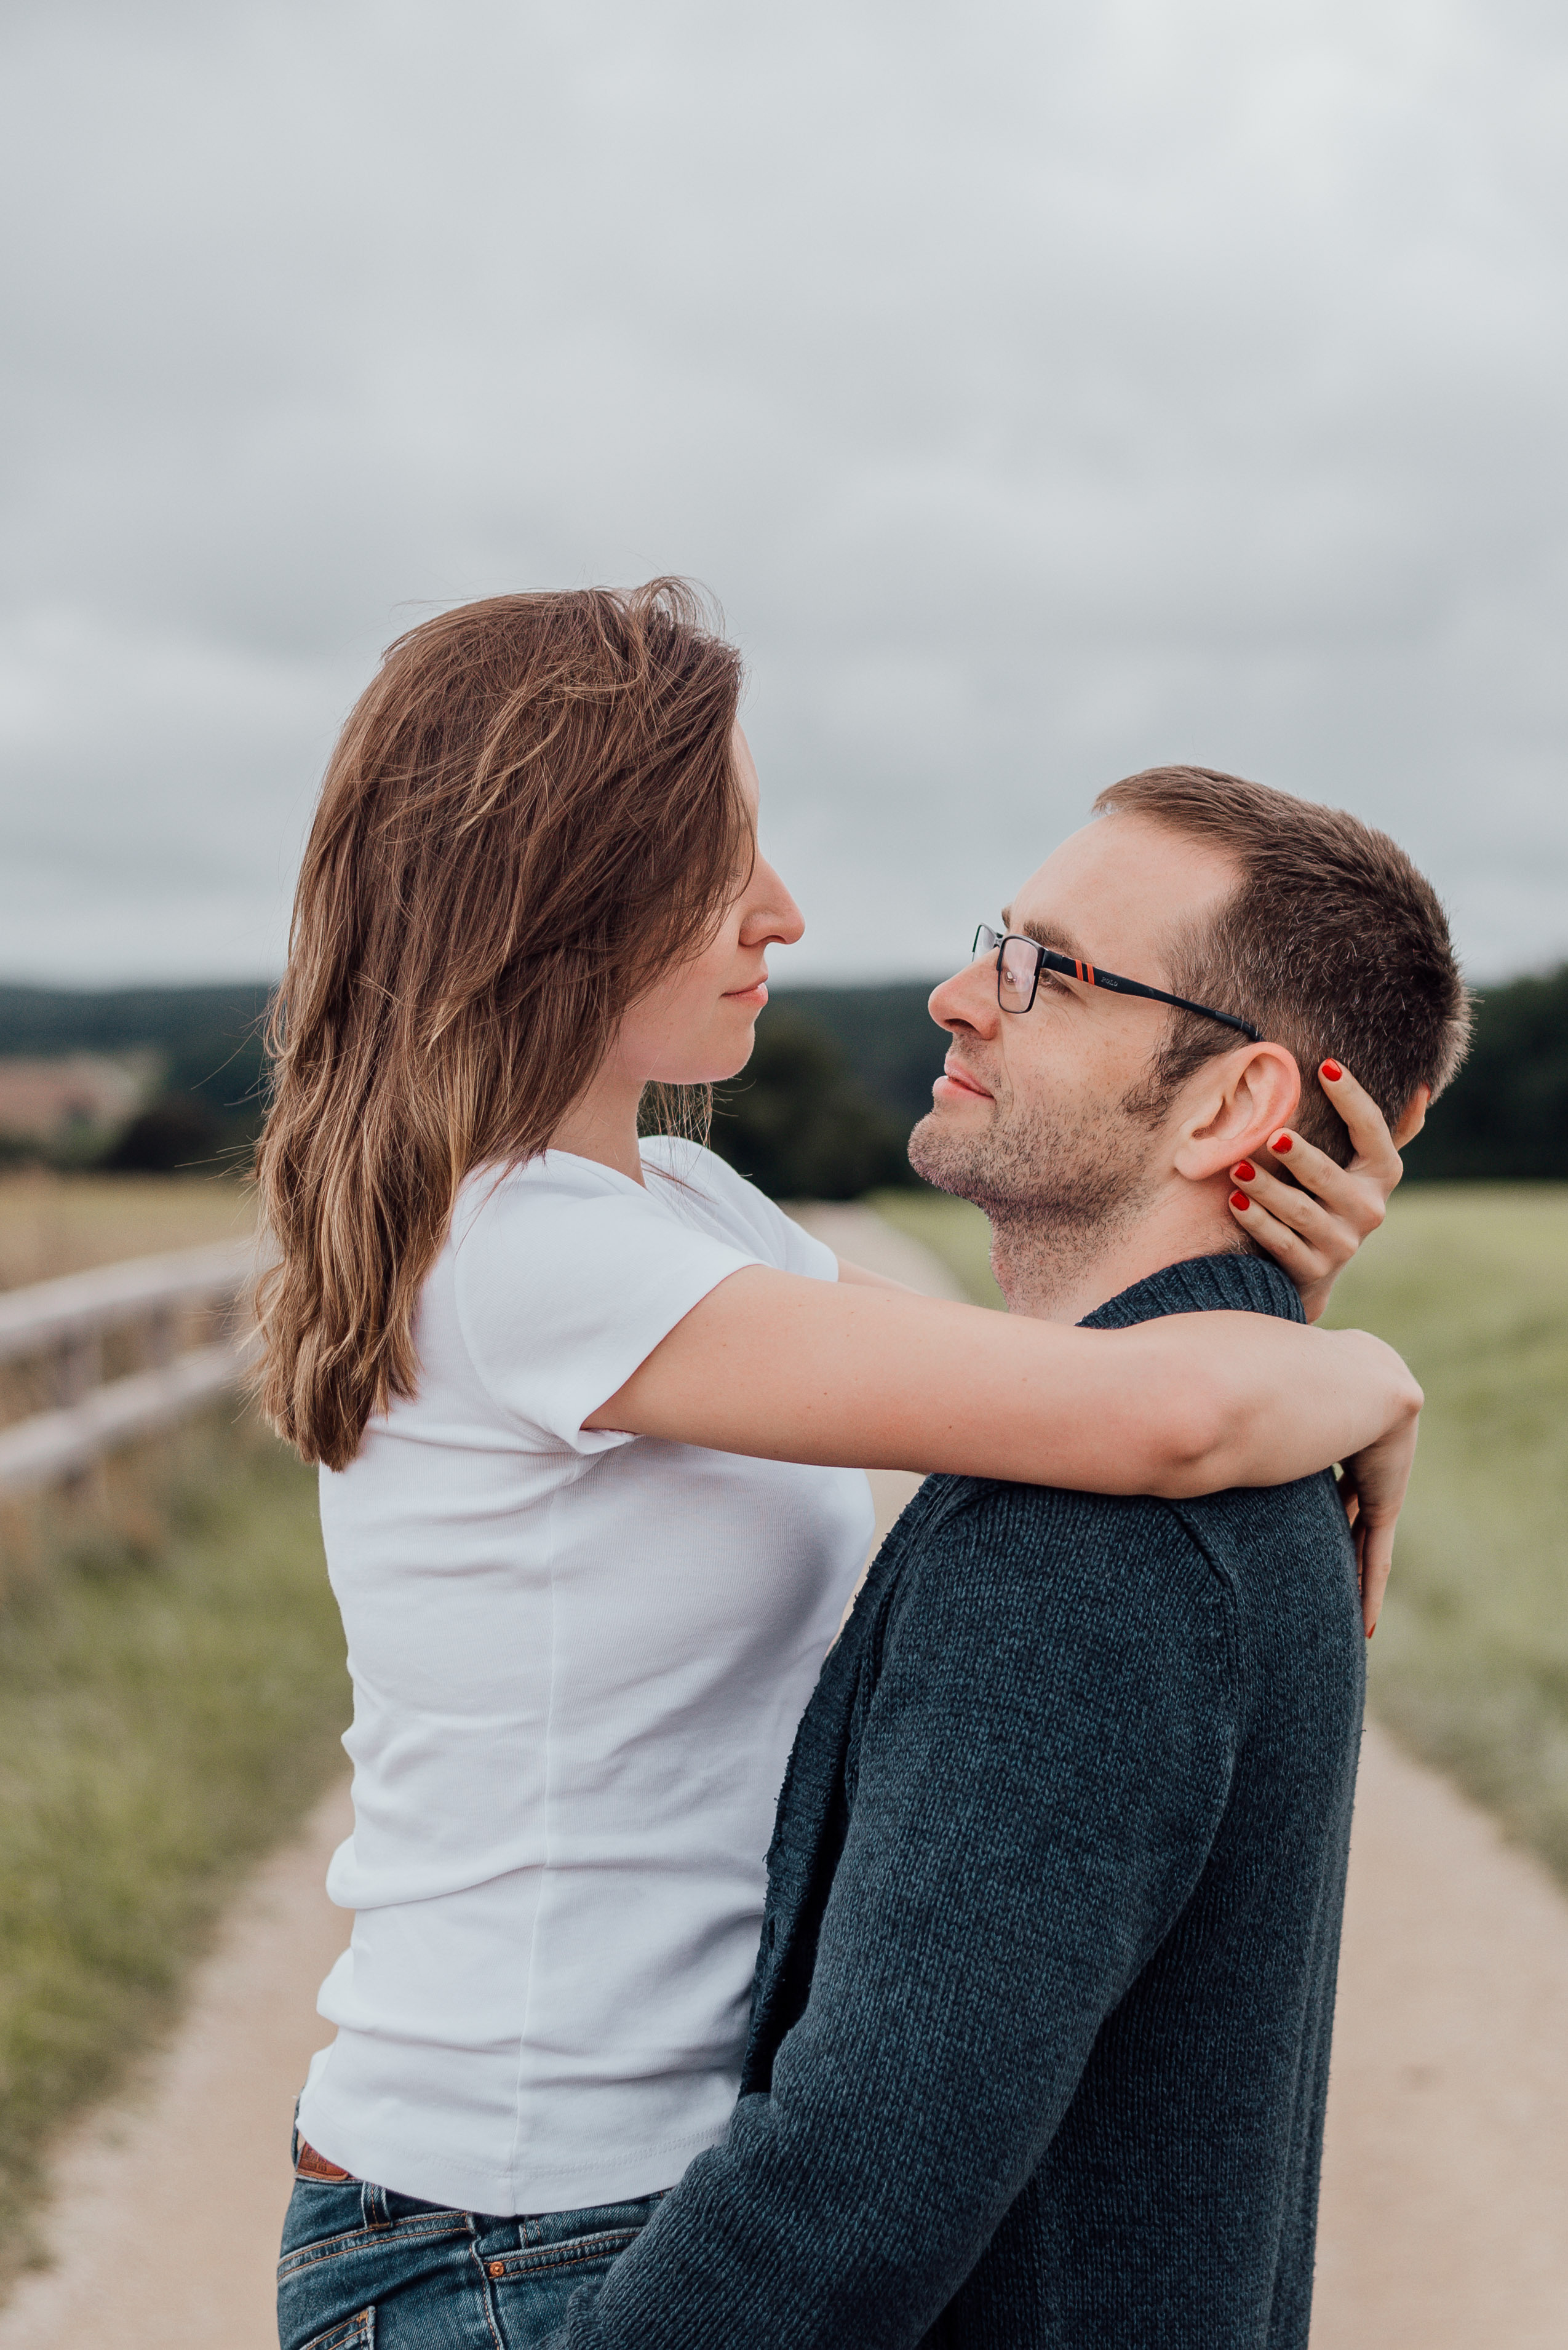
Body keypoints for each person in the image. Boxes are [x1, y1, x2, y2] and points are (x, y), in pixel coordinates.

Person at [262, 588, 1420, 2350]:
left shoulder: (690, 1209)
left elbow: (1050, 1366)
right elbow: (1150, 1416)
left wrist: (1270, 1276)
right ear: (564, 890)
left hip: (617, 2200)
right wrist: (1369, 1368)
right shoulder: (523, 1258)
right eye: (722, 863)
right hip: (504, 2231)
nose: (785, 913)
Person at [528, 764, 1467, 2350]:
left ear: (1234, 1105)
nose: (967, 995)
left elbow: (856, 2188)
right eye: (995, 943)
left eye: (1047, 970)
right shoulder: (1248, 1445)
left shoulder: (1087, 1539)